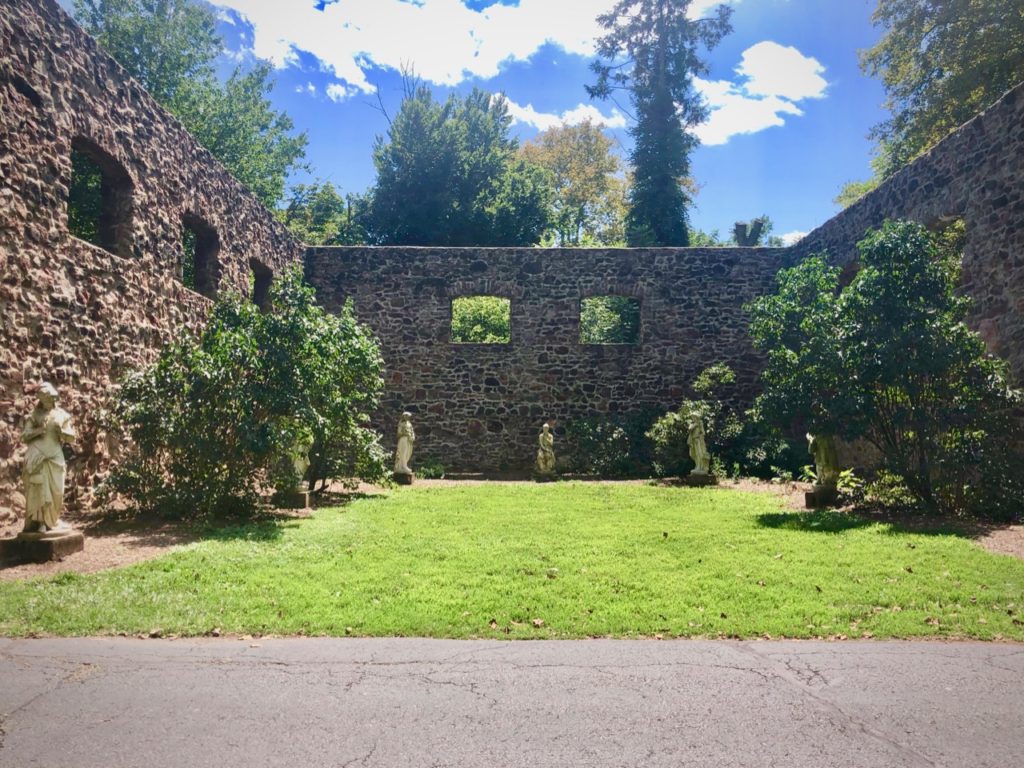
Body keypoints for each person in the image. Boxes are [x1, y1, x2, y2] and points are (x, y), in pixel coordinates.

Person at [21, 382, 76, 533]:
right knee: (39, 489)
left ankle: (53, 520)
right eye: (42, 399)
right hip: (37, 454)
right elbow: (24, 436)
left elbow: (72, 437)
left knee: (58, 490)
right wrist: (39, 430)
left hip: (55, 455)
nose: (44, 403)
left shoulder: (61, 415)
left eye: (47, 399)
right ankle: (41, 523)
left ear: (52, 398)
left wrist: (62, 432)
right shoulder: (35, 415)